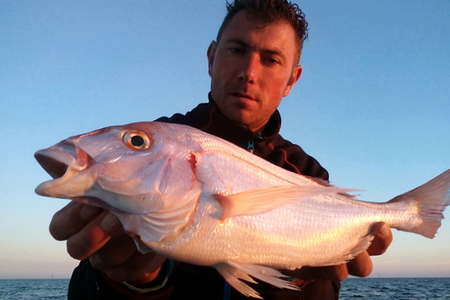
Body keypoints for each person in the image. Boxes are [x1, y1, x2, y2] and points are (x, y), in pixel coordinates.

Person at [50, 0, 393, 299]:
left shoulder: (307, 171)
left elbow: (327, 290)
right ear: (212, 57)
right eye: (237, 50)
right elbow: (89, 283)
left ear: (292, 79)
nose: (248, 72)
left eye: (271, 59)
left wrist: (300, 279)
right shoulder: (160, 146)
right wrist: (127, 282)